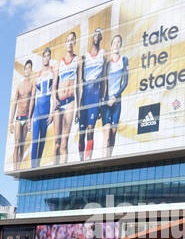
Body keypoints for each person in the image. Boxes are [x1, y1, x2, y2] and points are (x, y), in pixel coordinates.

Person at [78, 28, 105, 161]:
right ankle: (81, 160)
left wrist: (101, 100)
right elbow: (79, 83)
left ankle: (88, 160)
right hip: (85, 95)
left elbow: (104, 80)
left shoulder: (103, 55)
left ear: (101, 38)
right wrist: (79, 105)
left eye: (99, 35)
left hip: (95, 94)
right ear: (92, 38)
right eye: (94, 35)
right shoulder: (85, 57)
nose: (96, 37)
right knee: (81, 133)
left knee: (90, 130)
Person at [53, 31, 79, 164]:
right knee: (56, 142)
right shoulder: (59, 63)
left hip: (70, 101)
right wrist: (54, 103)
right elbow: (54, 87)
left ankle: (62, 169)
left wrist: (79, 108)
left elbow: (79, 84)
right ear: (65, 44)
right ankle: (51, 170)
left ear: (75, 42)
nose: (69, 42)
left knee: (64, 142)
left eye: (72, 40)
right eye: (67, 40)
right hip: (59, 103)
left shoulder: (77, 60)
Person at [102, 32, 129, 154]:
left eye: (119, 42)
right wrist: (105, 99)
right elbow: (103, 85)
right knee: (106, 134)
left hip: (117, 101)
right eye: (114, 43)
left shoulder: (123, 60)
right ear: (111, 46)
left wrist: (115, 96)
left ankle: (109, 160)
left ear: (120, 45)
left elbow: (125, 82)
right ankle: (102, 161)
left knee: (113, 134)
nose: (116, 44)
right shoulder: (107, 65)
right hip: (106, 102)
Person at [31, 47, 55, 168]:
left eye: (47, 55)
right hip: (37, 110)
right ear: (42, 58)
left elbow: (54, 93)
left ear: (50, 57)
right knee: (35, 139)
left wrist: (52, 113)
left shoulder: (53, 71)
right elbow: (32, 98)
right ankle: (32, 167)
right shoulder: (37, 75)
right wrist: (30, 117)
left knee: (42, 139)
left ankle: (38, 165)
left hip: (46, 109)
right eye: (44, 56)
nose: (46, 58)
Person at [9, 59, 35, 168]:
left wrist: (29, 119)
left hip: (26, 117)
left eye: (30, 68)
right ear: (24, 70)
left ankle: (18, 167)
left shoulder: (32, 84)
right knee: (16, 145)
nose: (28, 70)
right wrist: (11, 122)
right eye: (26, 68)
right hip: (18, 118)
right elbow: (14, 103)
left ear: (31, 70)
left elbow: (32, 100)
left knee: (22, 145)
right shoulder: (19, 85)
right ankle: (15, 168)